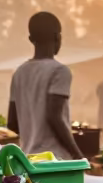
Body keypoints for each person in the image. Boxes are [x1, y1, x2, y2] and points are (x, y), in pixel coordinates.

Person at [7, 12, 86, 161]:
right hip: (55, 159)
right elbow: (54, 117)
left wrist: (32, 135)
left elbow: (12, 123)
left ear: (31, 39)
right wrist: (78, 155)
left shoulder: (19, 73)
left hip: (29, 159)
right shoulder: (59, 71)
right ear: (57, 37)